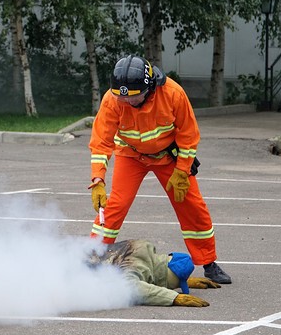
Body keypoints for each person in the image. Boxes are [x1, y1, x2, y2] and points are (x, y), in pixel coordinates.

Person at [88, 54, 231, 284]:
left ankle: (208, 262)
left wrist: (182, 171)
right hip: (131, 155)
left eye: (134, 98)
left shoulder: (173, 94)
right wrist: (98, 179)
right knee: (115, 205)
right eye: (123, 98)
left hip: (168, 157)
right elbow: (101, 141)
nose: (127, 103)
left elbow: (188, 135)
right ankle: (92, 259)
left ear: (150, 87)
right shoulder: (114, 99)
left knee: (192, 205)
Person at [88, 239, 220, 306]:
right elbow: (129, 286)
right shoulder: (136, 264)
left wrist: (184, 280)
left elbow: (156, 274)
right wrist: (172, 297)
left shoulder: (144, 247)